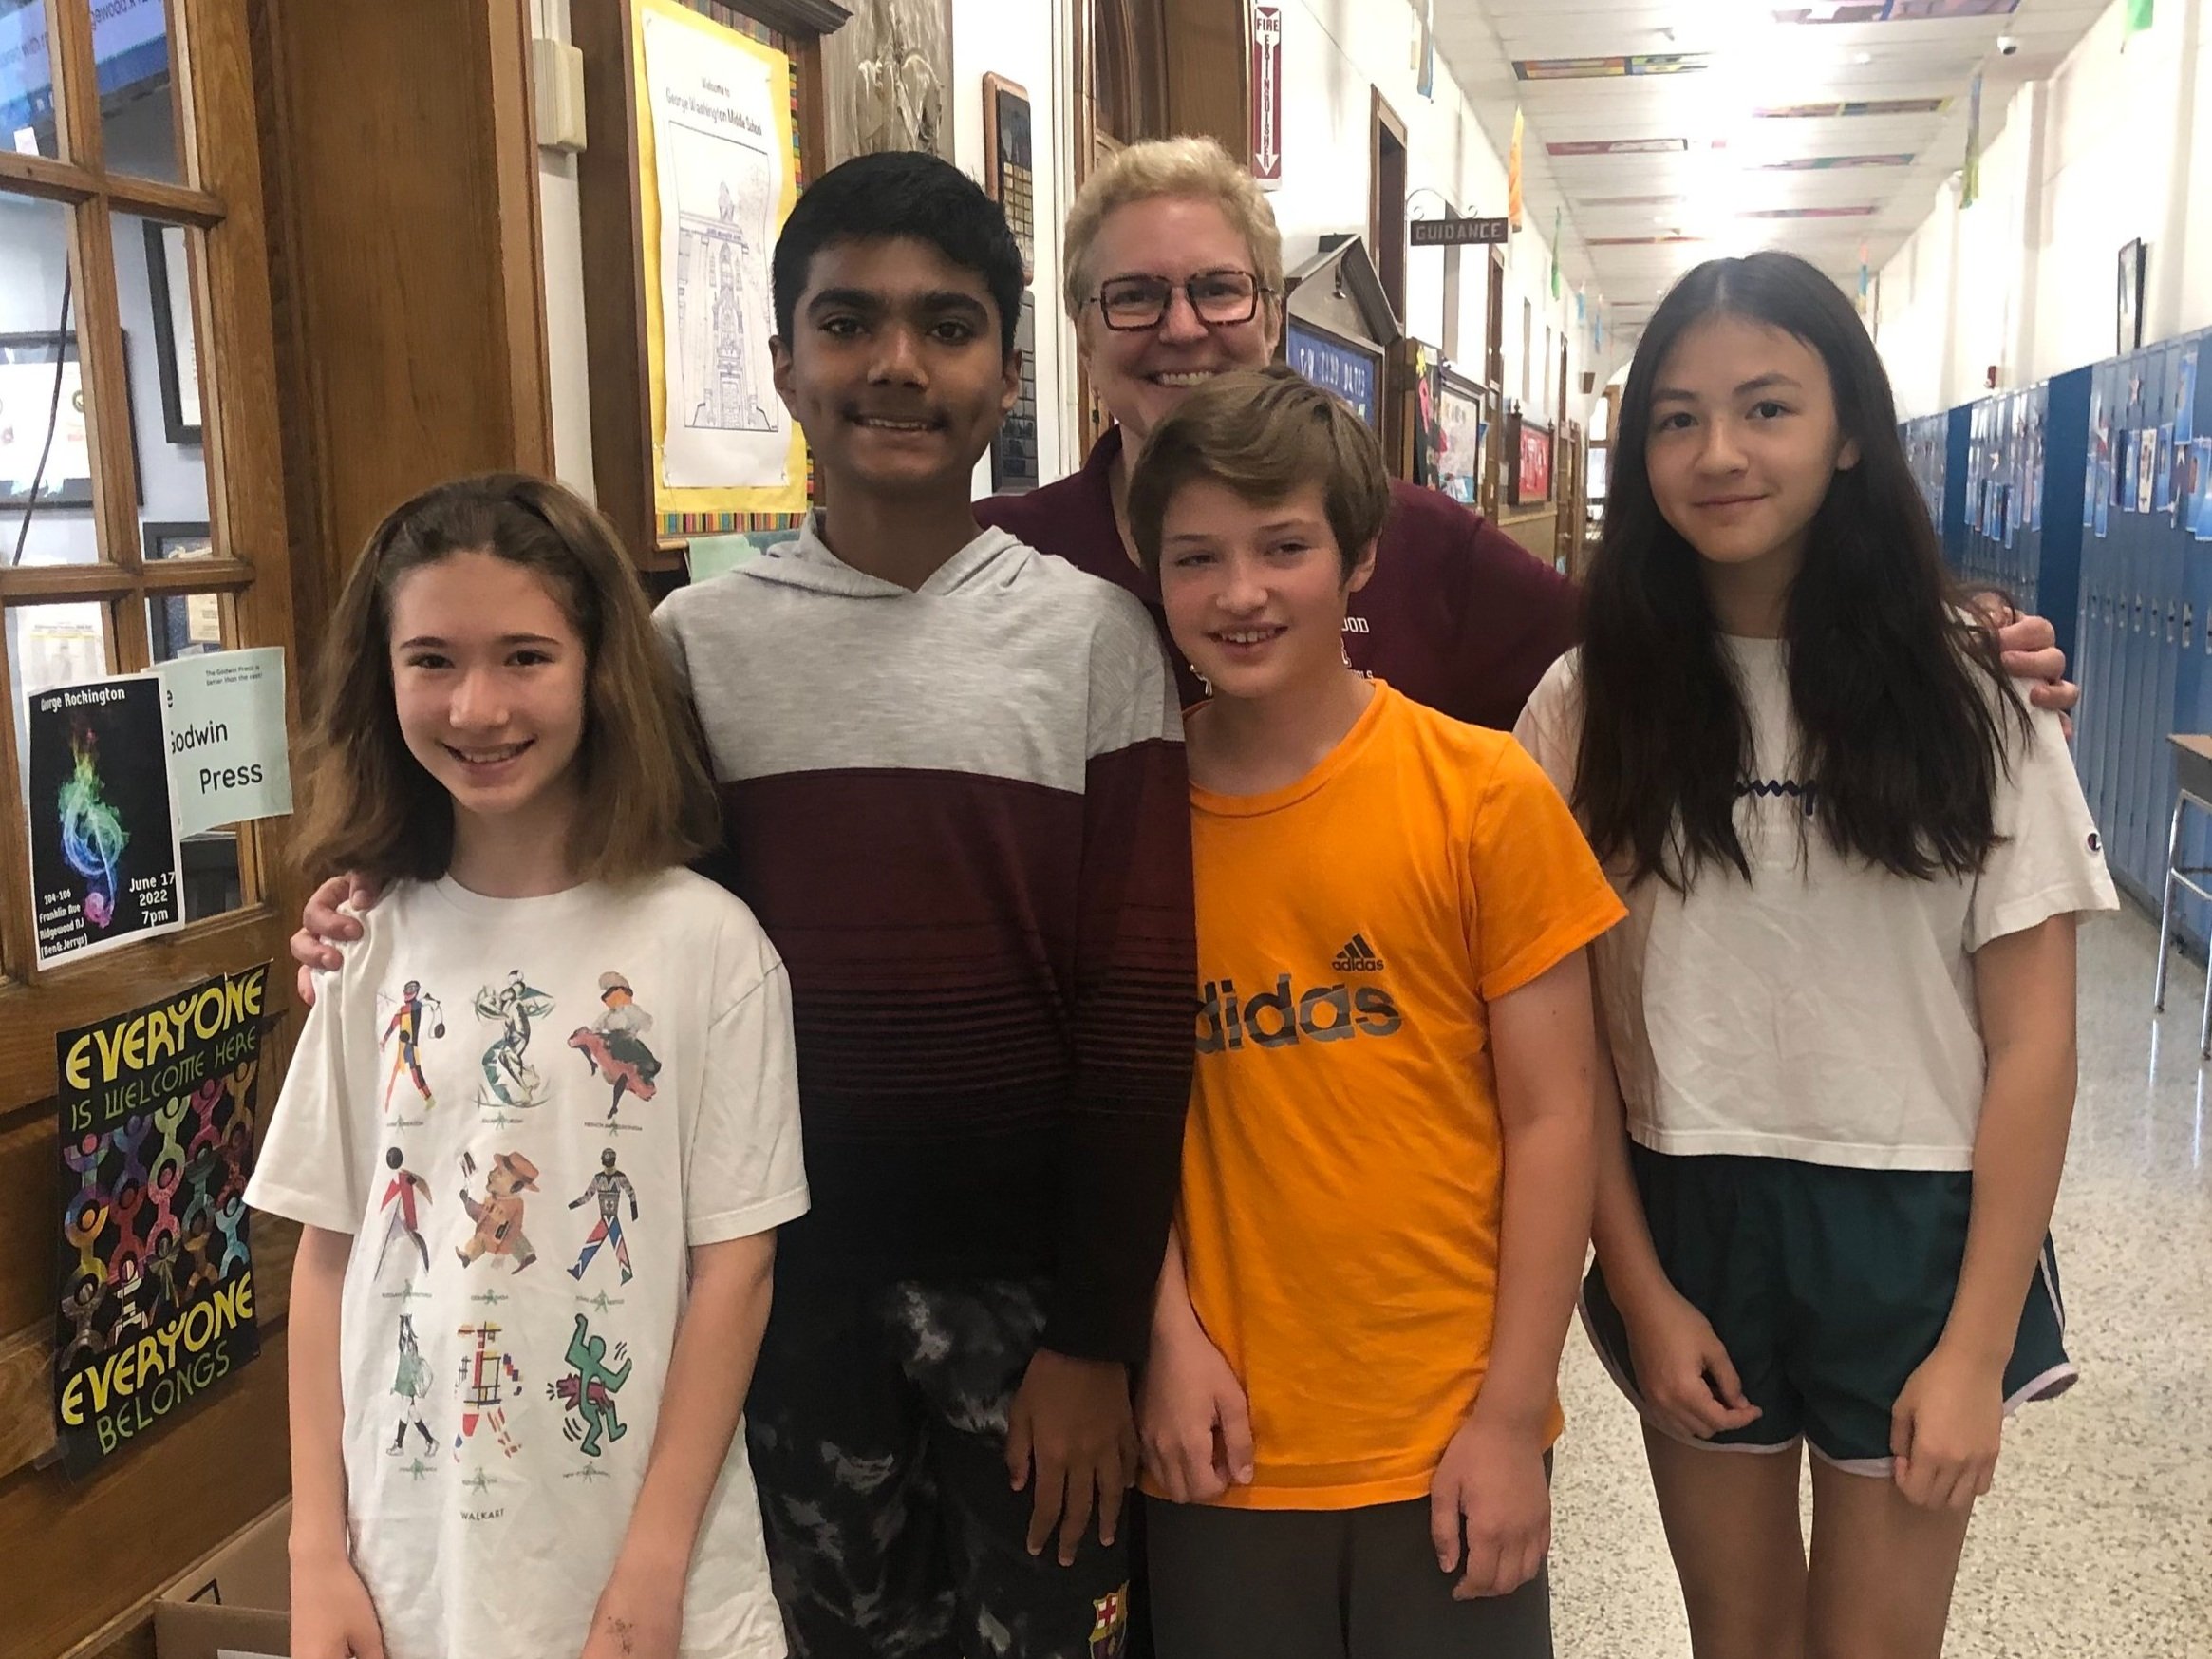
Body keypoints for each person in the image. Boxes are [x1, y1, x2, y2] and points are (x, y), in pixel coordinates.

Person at [294, 153, 1193, 1659]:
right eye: (847, 323)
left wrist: (1099, 1332)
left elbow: (1137, 1010)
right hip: (770, 1299)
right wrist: (371, 892)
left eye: (946, 324)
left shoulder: (1097, 640)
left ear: (1010, 372)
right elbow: (568, 888)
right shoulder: (688, 649)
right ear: (783, 363)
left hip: (1028, 1306)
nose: (895, 363)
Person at [1513, 252, 2117, 1659]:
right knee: (1738, 1634)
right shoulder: (1585, 702)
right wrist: (1641, 1288)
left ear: (1848, 429)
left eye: (1765, 406)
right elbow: (1571, 1040)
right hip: (1685, 1205)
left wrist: (1972, 1350)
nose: (1717, 452)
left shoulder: (1976, 697)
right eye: (1673, 417)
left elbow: (2033, 1041)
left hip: (1913, 1226)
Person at [250, 474, 807, 1659]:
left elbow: (735, 1270)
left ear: (599, 670)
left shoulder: (706, 944)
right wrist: (315, 1550)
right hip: (409, 1565)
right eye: (432, 659)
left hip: (651, 1569)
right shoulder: (366, 940)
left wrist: (651, 1573)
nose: (477, 705)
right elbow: (325, 1258)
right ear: (381, 674)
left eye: (523, 657)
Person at [975, 136, 2078, 733]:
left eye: (1217, 290)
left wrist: (1941, 634)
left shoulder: (1418, 543)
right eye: (1132, 295)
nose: (1181, 329)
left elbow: (1656, 633)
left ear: (1269, 314)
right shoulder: (1004, 562)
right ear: (1078, 325)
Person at [1129, 365, 1624, 1659]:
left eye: (1282, 545)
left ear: (1354, 560)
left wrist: (1513, 1412)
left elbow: (1555, 1112)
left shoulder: (1479, 793)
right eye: (1197, 557)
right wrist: (1163, 1336)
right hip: (1220, 1428)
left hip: (1446, 1423)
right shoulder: (1129, 821)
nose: (1240, 592)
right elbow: (1108, 1110)